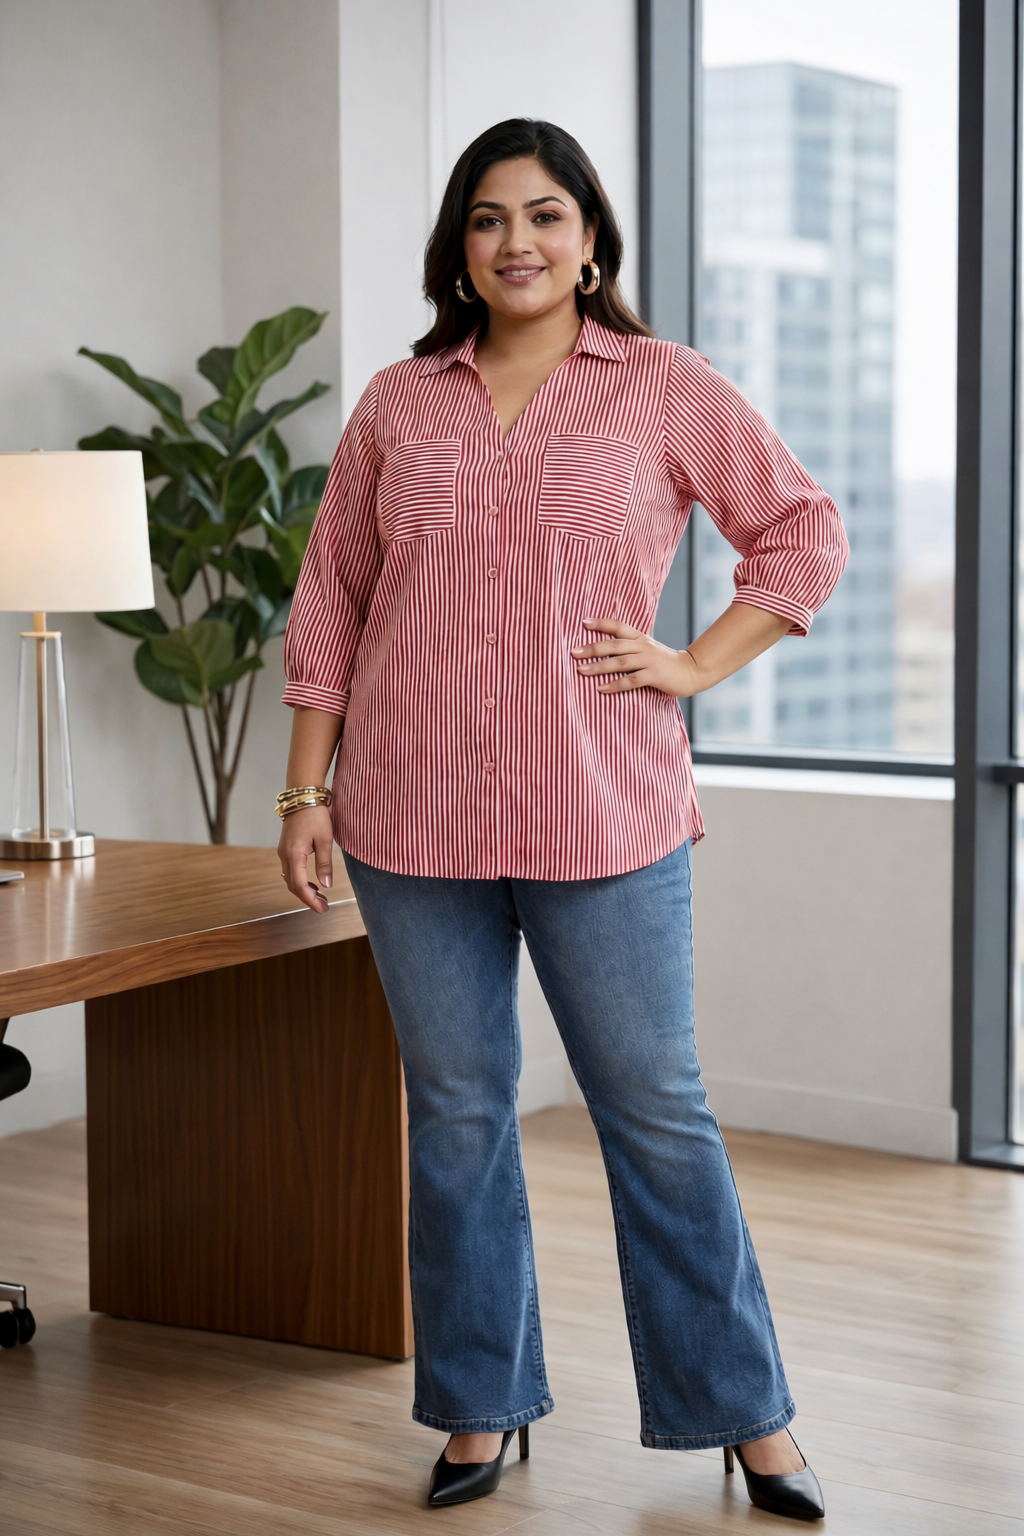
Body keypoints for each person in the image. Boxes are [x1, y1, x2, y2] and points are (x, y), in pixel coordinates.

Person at [277, 118, 846, 1523]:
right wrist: (303, 788)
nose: (515, 241)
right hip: (407, 819)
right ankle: (479, 1405)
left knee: (657, 1112)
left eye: (544, 215)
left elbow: (801, 531)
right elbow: (334, 597)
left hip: (608, 814)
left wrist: (698, 665)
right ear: (458, 251)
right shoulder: (402, 404)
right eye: (487, 219)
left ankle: (746, 1413)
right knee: (457, 1114)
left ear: (591, 239)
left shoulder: (663, 386)